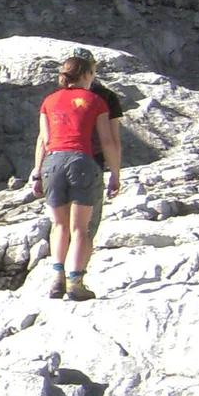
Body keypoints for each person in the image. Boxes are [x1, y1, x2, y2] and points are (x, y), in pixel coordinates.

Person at [30, 53, 122, 301]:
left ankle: (56, 279)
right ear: (84, 75)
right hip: (83, 162)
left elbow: (44, 140)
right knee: (80, 228)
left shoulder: (49, 101)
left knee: (59, 226)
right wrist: (115, 173)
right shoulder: (96, 101)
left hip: (52, 163)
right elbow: (106, 140)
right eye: (92, 72)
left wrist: (37, 173)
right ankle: (75, 283)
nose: (93, 77)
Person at [70, 47, 129, 243]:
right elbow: (111, 139)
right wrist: (115, 173)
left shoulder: (57, 96)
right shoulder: (106, 96)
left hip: (58, 161)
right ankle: (77, 269)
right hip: (91, 162)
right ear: (92, 69)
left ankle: (59, 265)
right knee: (87, 225)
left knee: (61, 224)